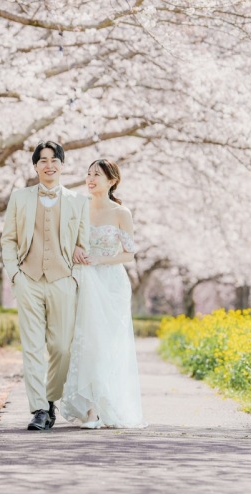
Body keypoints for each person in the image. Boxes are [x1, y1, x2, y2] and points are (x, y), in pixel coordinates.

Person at [0, 141, 90, 431]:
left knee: (62, 347)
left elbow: (82, 242)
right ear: (36, 166)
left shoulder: (78, 201)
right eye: (43, 160)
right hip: (28, 278)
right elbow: (9, 238)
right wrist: (15, 274)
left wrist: (74, 274)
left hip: (63, 279)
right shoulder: (20, 197)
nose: (49, 165)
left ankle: (51, 399)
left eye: (54, 160)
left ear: (62, 165)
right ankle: (39, 408)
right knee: (32, 346)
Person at [61, 159, 145, 429]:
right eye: (88, 174)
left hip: (111, 283)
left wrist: (99, 259)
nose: (90, 179)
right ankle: (90, 410)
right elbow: (66, 241)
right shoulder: (77, 207)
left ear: (111, 181)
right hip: (83, 279)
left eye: (97, 175)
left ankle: (108, 403)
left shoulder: (122, 213)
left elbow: (129, 254)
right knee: (86, 340)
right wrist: (75, 250)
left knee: (109, 343)